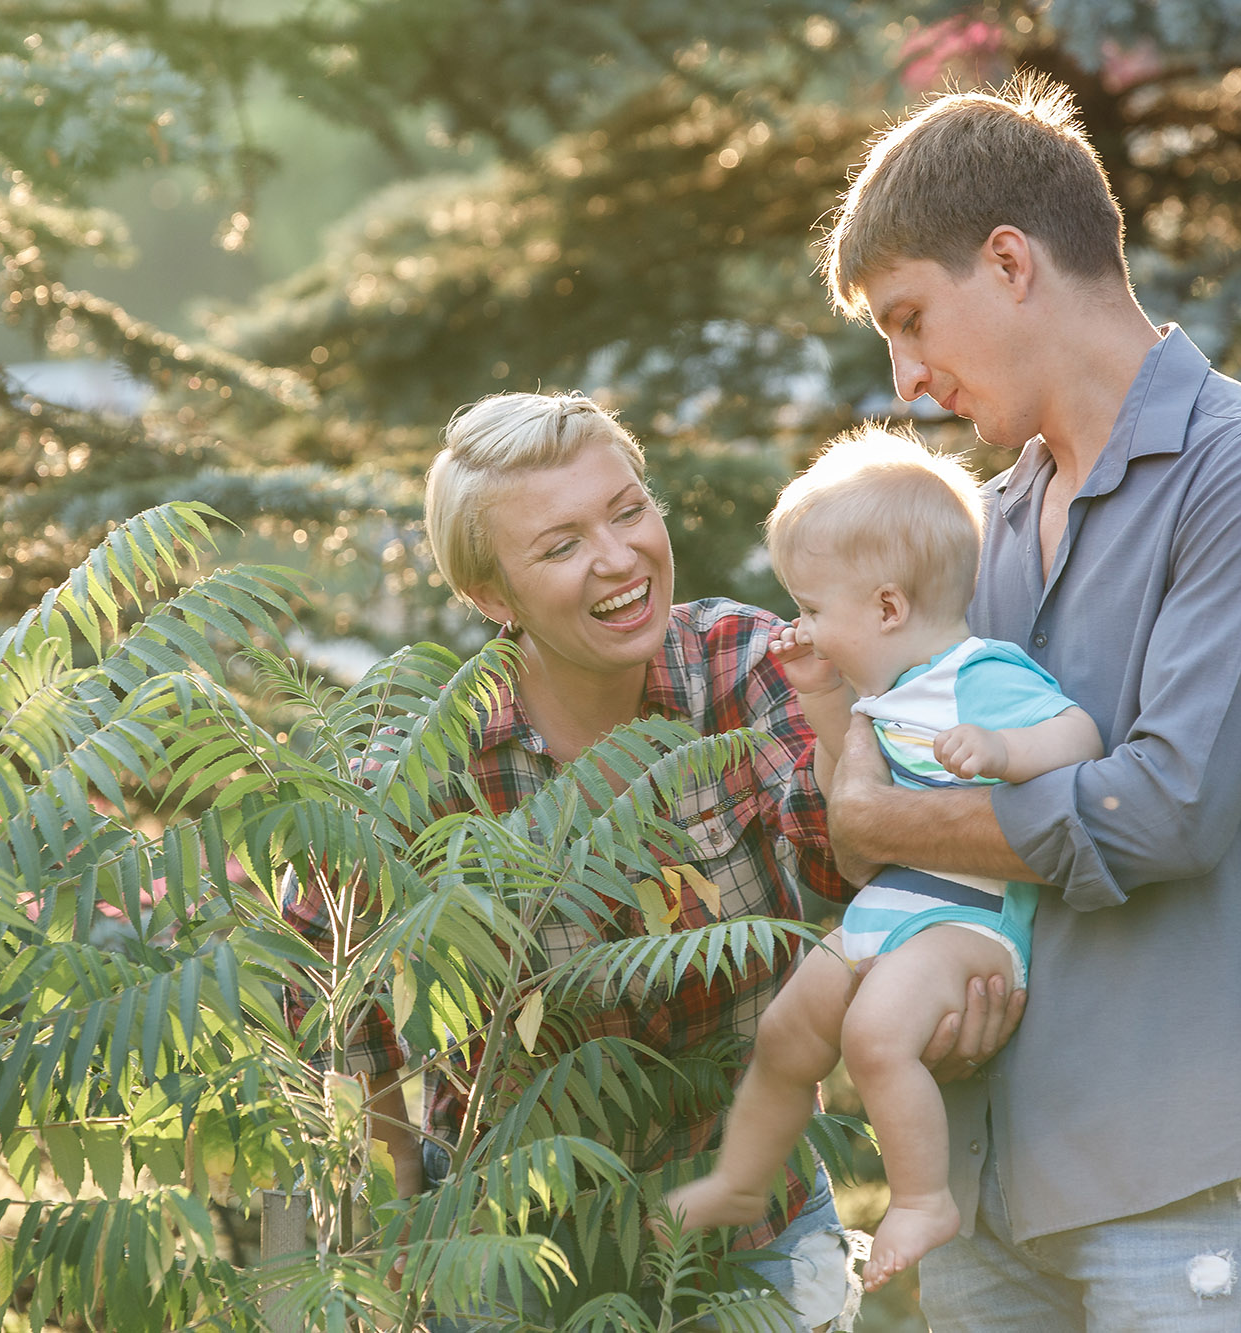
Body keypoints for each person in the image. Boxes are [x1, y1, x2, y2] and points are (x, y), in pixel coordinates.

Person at [816, 75, 1241, 1331]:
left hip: (1176, 1192)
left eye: (910, 319)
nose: (905, 380)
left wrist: (882, 824)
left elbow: (1164, 806)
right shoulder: (986, 529)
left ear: (1008, 261)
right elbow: (914, 786)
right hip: (985, 1195)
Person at [283, 391, 1013, 1330]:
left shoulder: (743, 665)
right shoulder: (428, 769)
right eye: (560, 544)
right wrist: (389, 1242)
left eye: (628, 510)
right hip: (519, 1262)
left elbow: (851, 863)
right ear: (491, 596)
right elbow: (336, 1020)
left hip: (758, 1225)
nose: (619, 556)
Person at [666, 428, 1102, 1292]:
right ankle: (741, 1177)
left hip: (962, 921)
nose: (803, 625)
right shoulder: (881, 697)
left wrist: (1003, 748)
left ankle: (922, 1198)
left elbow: (1079, 734)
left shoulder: (980, 674)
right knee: (786, 1030)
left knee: (872, 1036)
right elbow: (844, 800)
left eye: (815, 607)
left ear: (889, 607)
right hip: (886, 914)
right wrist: (826, 696)